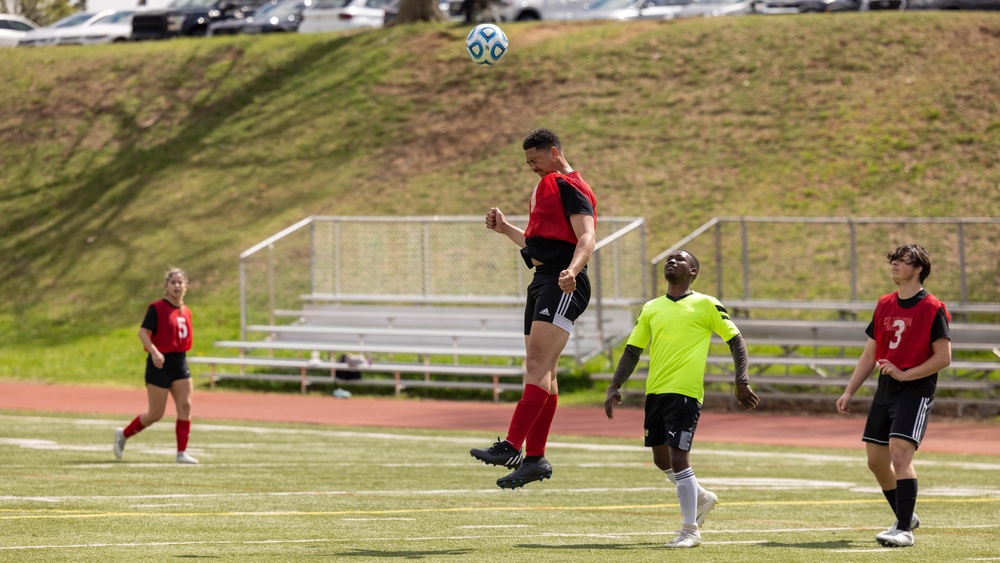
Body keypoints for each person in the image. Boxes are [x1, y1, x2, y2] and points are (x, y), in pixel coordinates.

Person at [605, 249, 759, 549]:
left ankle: (690, 531)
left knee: (678, 457)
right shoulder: (651, 307)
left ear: (693, 271)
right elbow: (633, 350)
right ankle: (701, 497)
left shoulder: (706, 304)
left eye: (680, 259)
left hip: (686, 393)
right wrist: (614, 384)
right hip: (656, 392)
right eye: (669, 259)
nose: (672, 261)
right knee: (660, 458)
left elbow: (736, 341)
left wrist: (741, 380)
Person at [469, 128, 597, 489]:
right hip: (544, 280)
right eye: (527, 163)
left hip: (562, 282)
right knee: (547, 373)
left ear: (554, 152)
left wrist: (572, 271)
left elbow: (587, 235)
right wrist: (507, 228)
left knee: (537, 366)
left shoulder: (569, 184)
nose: (531, 168)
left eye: (535, 160)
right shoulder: (549, 186)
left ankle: (512, 446)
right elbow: (540, 243)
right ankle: (536, 459)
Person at [836, 244, 951, 548]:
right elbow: (871, 353)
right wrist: (850, 391)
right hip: (886, 389)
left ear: (918, 269)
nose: (895, 264)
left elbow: (944, 357)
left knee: (899, 454)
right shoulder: (885, 303)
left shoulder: (932, 307)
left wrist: (904, 373)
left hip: (915, 390)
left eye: (904, 261)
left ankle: (904, 529)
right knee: (876, 461)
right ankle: (906, 515)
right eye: (894, 260)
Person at [113, 268, 200, 464]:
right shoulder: (157, 308)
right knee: (155, 414)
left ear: (186, 286)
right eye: (173, 282)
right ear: (166, 286)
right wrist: (154, 352)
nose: (177, 286)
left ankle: (181, 453)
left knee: (185, 406)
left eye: (180, 282)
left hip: (180, 363)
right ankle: (123, 434)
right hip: (159, 364)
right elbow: (143, 332)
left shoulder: (186, 311)